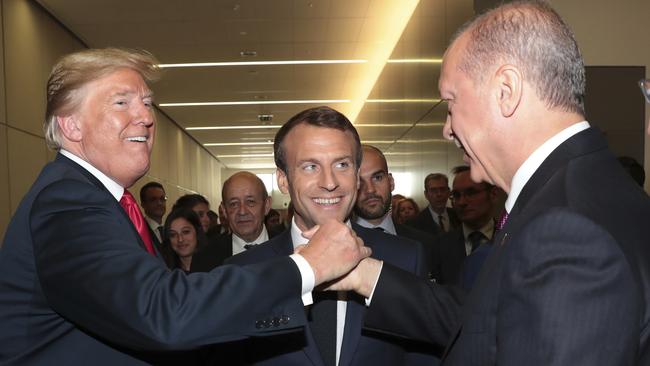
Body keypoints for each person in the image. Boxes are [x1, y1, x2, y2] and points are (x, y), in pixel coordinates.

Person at [0, 48, 370, 365]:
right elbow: (163, 313)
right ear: (71, 126)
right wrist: (307, 265)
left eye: (146, 103)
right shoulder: (69, 201)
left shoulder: (99, 201)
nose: (145, 116)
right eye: (121, 102)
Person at [332, 2, 650, 365]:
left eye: (451, 102)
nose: (447, 128)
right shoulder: (582, 191)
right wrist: (365, 275)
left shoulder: (568, 229)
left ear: (506, 90)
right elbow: (491, 319)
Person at [226, 106, 436, 366]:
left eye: (342, 164)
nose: (329, 182)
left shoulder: (404, 258)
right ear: (283, 180)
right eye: (311, 166)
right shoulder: (244, 271)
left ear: (357, 176)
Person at [191, 171, 282, 272]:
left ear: (266, 205)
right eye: (234, 204)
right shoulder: (204, 258)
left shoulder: (291, 250)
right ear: (224, 210)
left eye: (250, 202)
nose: (242, 211)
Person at [431, 166, 498, 287]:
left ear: (493, 194)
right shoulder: (440, 246)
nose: (462, 202)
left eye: (471, 193)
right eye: (456, 195)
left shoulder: (511, 240)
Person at [139, 181, 174, 266]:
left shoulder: (170, 230)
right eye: (153, 199)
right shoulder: (139, 231)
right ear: (143, 204)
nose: (159, 203)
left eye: (162, 199)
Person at [164, 208, 207, 272]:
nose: (180, 239)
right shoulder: (165, 272)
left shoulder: (215, 267)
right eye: (173, 235)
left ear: (197, 231)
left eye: (185, 232)